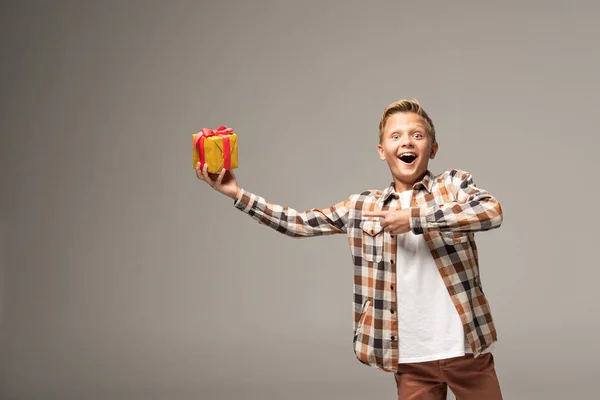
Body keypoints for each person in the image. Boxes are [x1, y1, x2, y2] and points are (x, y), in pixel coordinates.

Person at [195, 99, 504, 400]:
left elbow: (491, 212)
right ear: (382, 151)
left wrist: (413, 218)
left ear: (432, 149)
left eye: (417, 135)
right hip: (410, 358)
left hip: (465, 350)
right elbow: (299, 223)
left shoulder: (452, 185)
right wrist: (237, 193)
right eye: (395, 136)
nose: (406, 142)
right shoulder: (362, 207)